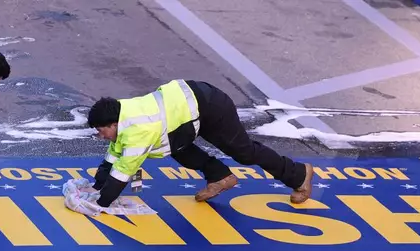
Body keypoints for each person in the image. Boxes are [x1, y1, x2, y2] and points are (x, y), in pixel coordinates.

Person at [85, 79, 313, 208]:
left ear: (113, 123)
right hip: (188, 109)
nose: (101, 136)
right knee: (174, 146)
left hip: (211, 106)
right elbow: (113, 157)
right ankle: (219, 176)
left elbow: (124, 171)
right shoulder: (123, 115)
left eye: (101, 130)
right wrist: (95, 188)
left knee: (244, 153)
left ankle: (298, 174)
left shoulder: (138, 130)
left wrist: (101, 203)